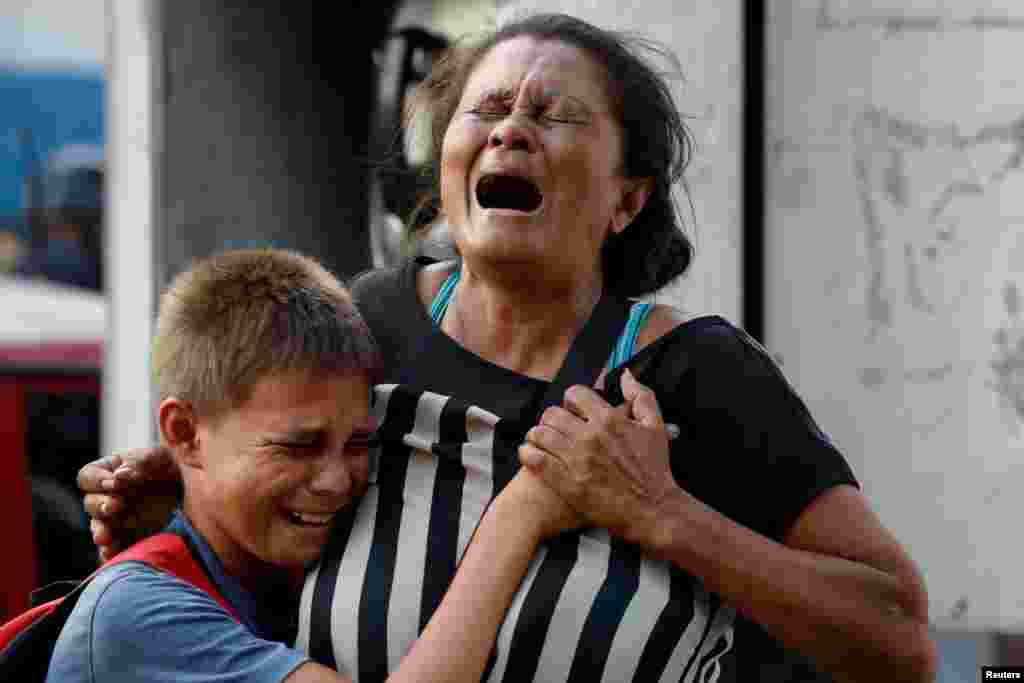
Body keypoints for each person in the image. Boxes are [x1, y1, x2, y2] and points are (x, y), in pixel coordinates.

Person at [79, 13, 937, 682]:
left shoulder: (699, 374)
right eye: (484, 108)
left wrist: (666, 517)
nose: (510, 128)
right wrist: (198, 503)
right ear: (447, 169)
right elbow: (274, 528)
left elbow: (900, 643)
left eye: (553, 114)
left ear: (627, 200)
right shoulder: (365, 328)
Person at [49, 248, 578, 682]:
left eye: (357, 444)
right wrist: (520, 514)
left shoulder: (279, 575)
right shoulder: (138, 613)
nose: (335, 481)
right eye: (297, 447)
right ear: (185, 434)